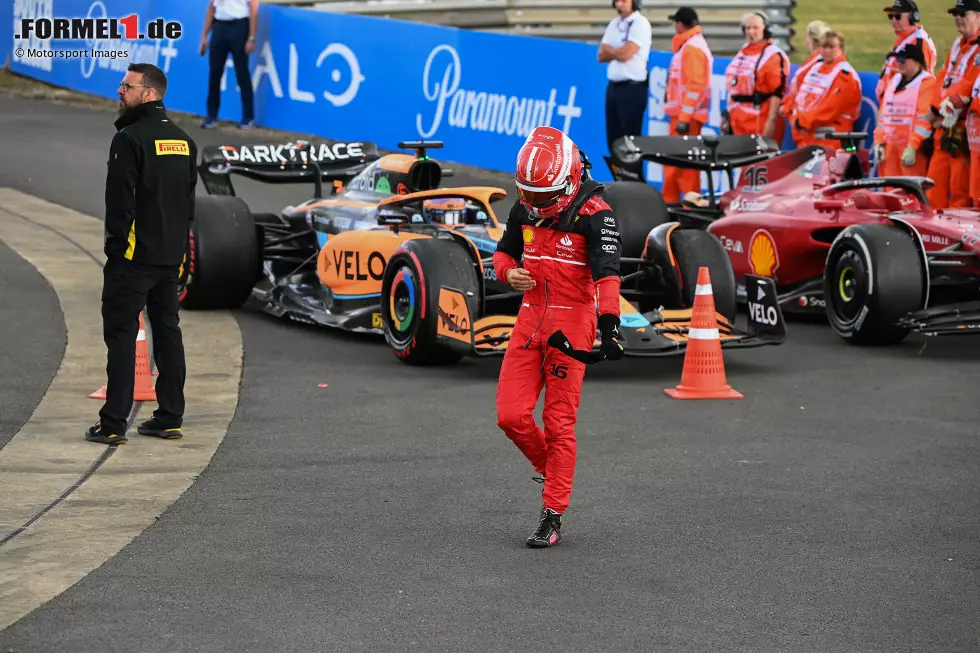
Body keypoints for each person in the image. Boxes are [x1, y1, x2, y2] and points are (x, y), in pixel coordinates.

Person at [493, 126, 624, 548]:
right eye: (526, 195)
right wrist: (506, 272)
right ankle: (553, 469)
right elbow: (503, 251)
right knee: (510, 416)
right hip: (530, 319)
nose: (532, 206)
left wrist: (610, 325)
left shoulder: (597, 214)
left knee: (559, 422)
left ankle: (553, 514)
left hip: (573, 326)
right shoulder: (526, 206)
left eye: (541, 199)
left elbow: (608, 275)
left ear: (568, 183)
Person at [86, 63, 198, 445]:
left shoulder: (129, 140)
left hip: (133, 260)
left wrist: (116, 251)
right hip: (170, 257)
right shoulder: (184, 141)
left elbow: (120, 206)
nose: (120, 91)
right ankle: (170, 416)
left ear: (148, 93)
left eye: (126, 86)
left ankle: (113, 423)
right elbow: (188, 204)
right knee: (168, 332)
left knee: (120, 335)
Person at [924, 0, 980, 209]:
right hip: (944, 124)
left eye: (963, 13)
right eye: (955, 13)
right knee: (933, 185)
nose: (958, 17)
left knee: (960, 191)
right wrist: (935, 108)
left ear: (978, 16)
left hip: (964, 129)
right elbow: (943, 76)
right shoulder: (958, 45)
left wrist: (944, 107)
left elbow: (969, 83)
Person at [662, 6, 713, 203]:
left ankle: (685, 210)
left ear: (681, 24)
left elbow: (696, 87)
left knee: (683, 169)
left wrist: (684, 117)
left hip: (686, 120)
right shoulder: (690, 46)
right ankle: (673, 207)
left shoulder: (692, 48)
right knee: (677, 167)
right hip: (684, 117)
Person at [722, 12, 791, 142]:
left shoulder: (773, 55)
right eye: (748, 28)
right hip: (738, 121)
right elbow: (734, 86)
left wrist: (771, 123)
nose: (751, 32)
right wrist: (727, 115)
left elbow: (777, 94)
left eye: (755, 28)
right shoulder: (743, 51)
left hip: (760, 120)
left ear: (765, 30)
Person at [788, 30, 863, 150]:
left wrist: (801, 122)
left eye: (832, 47)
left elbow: (830, 109)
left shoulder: (846, 76)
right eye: (824, 47)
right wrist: (795, 118)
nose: (827, 51)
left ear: (841, 49)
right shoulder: (815, 68)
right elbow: (799, 96)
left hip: (832, 141)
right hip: (806, 138)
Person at [872, 40, 936, 177]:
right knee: (889, 194)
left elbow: (924, 120)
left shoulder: (927, 84)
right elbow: (883, 115)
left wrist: (913, 146)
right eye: (897, 59)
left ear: (917, 63)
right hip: (890, 150)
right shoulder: (894, 81)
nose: (899, 63)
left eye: (903, 59)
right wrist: (878, 142)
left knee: (910, 194)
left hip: (911, 150)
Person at [598, 0, 652, 151]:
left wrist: (612, 50)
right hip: (613, 87)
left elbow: (625, 54)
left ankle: (632, 175)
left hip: (632, 88)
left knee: (631, 143)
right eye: (618, 1)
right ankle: (617, 175)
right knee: (613, 141)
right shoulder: (613, 24)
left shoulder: (640, 23)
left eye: (624, 1)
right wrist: (618, 51)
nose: (619, 4)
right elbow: (600, 55)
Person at [199, 0, 259, 129]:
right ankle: (211, 116)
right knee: (215, 72)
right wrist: (204, 36)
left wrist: (251, 37)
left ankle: (248, 117)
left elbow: (254, 9)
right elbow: (211, 8)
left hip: (239, 26)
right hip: (219, 27)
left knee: (242, 72)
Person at [875, 0, 938, 105]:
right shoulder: (905, 39)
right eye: (891, 16)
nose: (893, 20)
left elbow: (919, 80)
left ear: (913, 17)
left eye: (898, 16)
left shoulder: (918, 42)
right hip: (893, 104)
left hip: (906, 106)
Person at [780, 20, 831, 146]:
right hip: (805, 128)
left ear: (810, 39)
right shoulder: (815, 60)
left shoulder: (818, 63)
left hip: (809, 130)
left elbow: (804, 93)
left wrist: (786, 108)